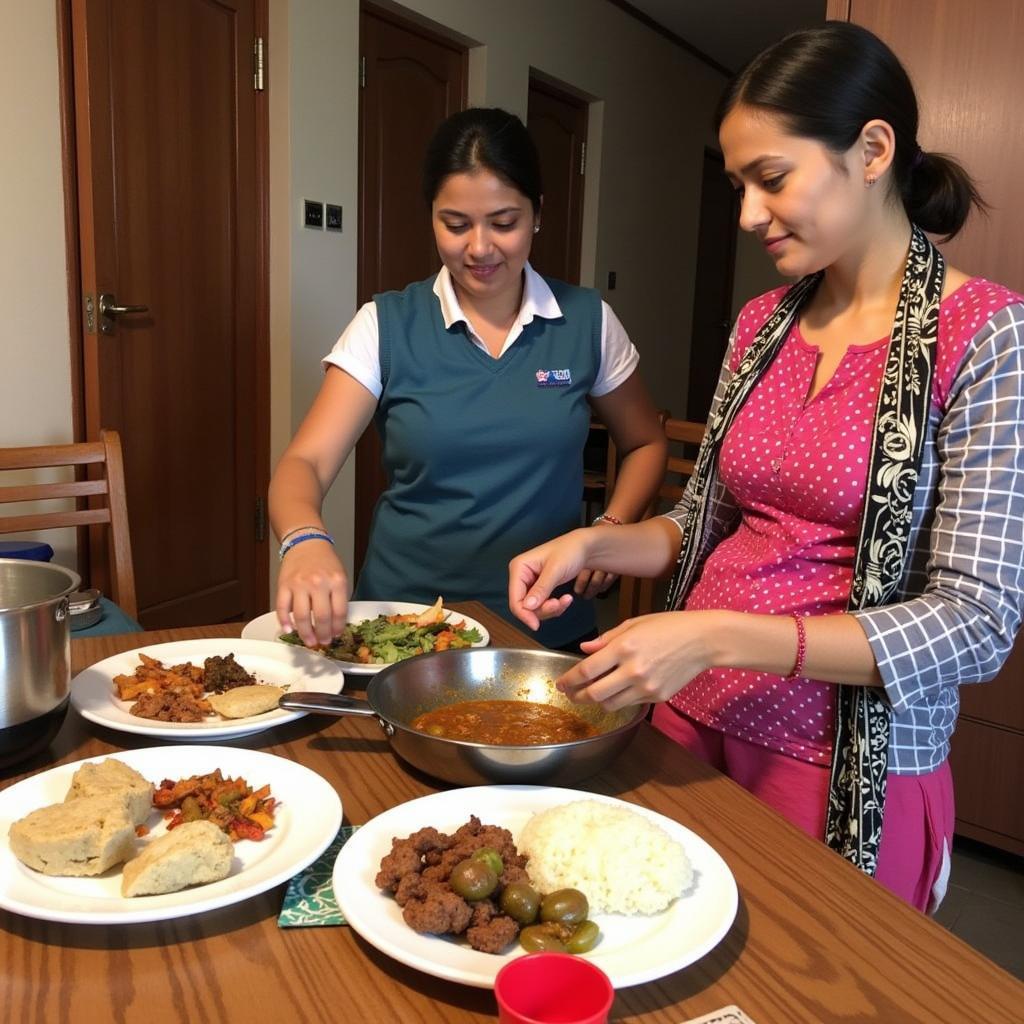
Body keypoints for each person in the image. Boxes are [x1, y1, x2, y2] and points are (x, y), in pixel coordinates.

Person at [508, 22, 1024, 912]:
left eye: (772, 179)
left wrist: (715, 633)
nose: (749, 214)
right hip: (688, 716)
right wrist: (597, 542)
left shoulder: (984, 336)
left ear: (872, 150)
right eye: (739, 184)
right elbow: (701, 519)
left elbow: (976, 622)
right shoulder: (761, 325)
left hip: (835, 760)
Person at [270, 107, 666, 653]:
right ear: (431, 216)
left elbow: (646, 441)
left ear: (538, 214)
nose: (479, 248)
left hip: (544, 625)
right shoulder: (385, 324)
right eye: (455, 224)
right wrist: (304, 538)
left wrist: (614, 526)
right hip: (403, 629)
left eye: (504, 222)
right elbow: (304, 463)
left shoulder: (587, 320)